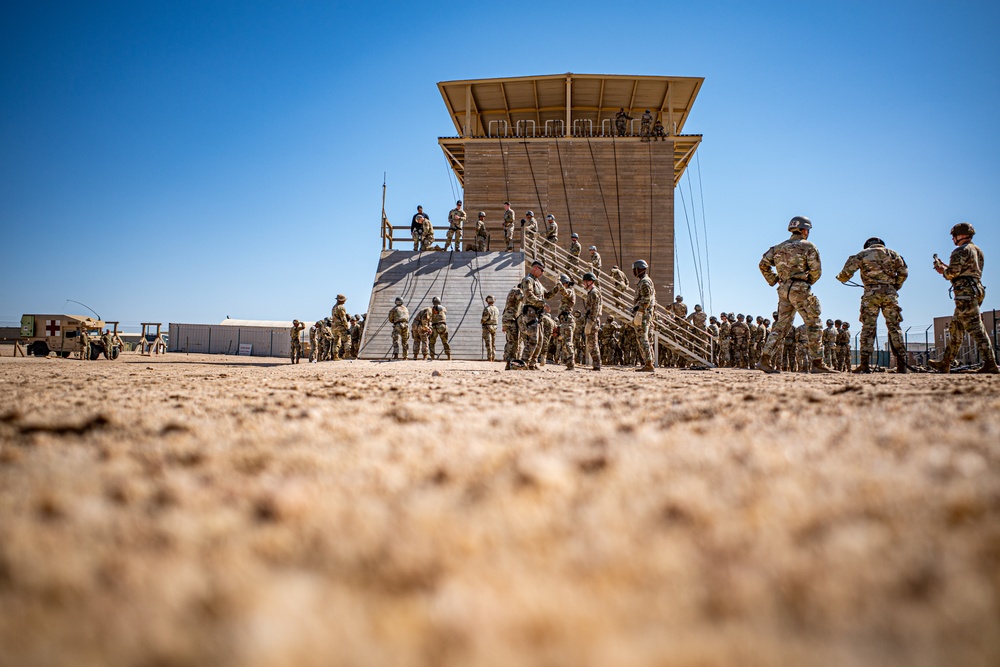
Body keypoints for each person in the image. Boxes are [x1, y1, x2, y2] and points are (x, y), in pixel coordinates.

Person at [756, 216, 836, 374]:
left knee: (780, 326)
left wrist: (774, 279)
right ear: (805, 230)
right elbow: (816, 271)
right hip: (800, 288)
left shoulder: (778, 247)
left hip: (784, 289)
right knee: (814, 324)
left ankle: (765, 360)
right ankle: (817, 363)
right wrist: (807, 282)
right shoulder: (808, 246)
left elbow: (763, 264)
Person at [930, 222, 998, 373]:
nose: (953, 239)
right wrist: (947, 267)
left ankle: (990, 363)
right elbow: (964, 270)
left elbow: (952, 273)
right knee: (956, 328)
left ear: (960, 235)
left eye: (954, 236)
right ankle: (946, 362)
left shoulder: (960, 251)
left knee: (976, 328)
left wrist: (943, 270)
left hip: (965, 294)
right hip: (975, 290)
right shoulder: (977, 250)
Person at [835, 237, 909, 373]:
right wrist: (894, 286)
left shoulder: (862, 254)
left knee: (868, 328)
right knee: (894, 327)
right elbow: (904, 273)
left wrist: (841, 278)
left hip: (870, 294)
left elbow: (845, 275)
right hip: (890, 293)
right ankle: (902, 365)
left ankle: (864, 365)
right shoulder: (893, 254)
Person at [518, 259, 558, 370]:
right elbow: (528, 296)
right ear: (535, 268)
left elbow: (547, 295)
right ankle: (524, 362)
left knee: (540, 340)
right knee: (533, 339)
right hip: (530, 313)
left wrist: (558, 287)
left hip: (538, 315)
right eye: (541, 270)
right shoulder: (528, 280)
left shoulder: (537, 282)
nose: (543, 273)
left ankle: (532, 363)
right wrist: (543, 304)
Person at [631, 259, 656, 372]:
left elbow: (646, 299)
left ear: (639, 269)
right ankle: (650, 362)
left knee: (642, 338)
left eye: (634, 270)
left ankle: (648, 363)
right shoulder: (644, 281)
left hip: (644, 313)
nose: (633, 272)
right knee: (646, 338)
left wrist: (640, 313)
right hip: (645, 312)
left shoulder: (645, 282)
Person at [582, 272, 603, 371]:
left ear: (590, 282)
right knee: (591, 343)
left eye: (585, 282)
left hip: (593, 321)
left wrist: (590, 323)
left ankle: (597, 364)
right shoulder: (592, 292)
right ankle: (596, 364)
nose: (583, 284)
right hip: (591, 319)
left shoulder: (594, 293)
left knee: (593, 343)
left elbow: (595, 309)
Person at [555, 274, 576, 370]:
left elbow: (565, 292)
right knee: (564, 344)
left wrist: (558, 283)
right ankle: (569, 364)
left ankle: (571, 364)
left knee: (567, 343)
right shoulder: (568, 291)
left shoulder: (570, 291)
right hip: (564, 320)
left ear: (566, 283)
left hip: (567, 320)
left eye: (563, 284)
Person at [502, 286, 523, 368]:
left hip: (510, 319)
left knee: (512, 341)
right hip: (511, 319)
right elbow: (523, 299)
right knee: (513, 342)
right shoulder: (517, 291)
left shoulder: (513, 290)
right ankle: (510, 363)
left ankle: (511, 363)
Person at [330, 295, 351, 360]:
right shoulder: (341, 307)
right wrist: (347, 327)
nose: (345, 301)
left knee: (336, 341)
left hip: (334, 327)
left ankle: (335, 356)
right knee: (347, 340)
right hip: (340, 326)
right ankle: (347, 355)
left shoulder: (334, 307)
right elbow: (343, 319)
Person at [481, 295, 499, 361]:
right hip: (494, 326)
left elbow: (484, 318)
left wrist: (482, 321)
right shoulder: (496, 309)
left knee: (488, 343)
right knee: (493, 343)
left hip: (487, 327)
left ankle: (490, 357)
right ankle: (493, 357)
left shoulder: (487, 309)